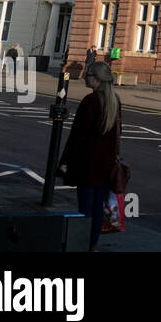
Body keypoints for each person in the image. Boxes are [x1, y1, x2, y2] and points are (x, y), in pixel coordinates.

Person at [58, 60, 122, 251]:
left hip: (88, 163)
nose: (86, 76)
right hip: (106, 165)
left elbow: (78, 135)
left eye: (89, 74)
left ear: (97, 79)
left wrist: (65, 161)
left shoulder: (91, 101)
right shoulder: (115, 100)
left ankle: (79, 243)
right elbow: (118, 134)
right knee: (97, 208)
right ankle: (91, 245)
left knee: (85, 208)